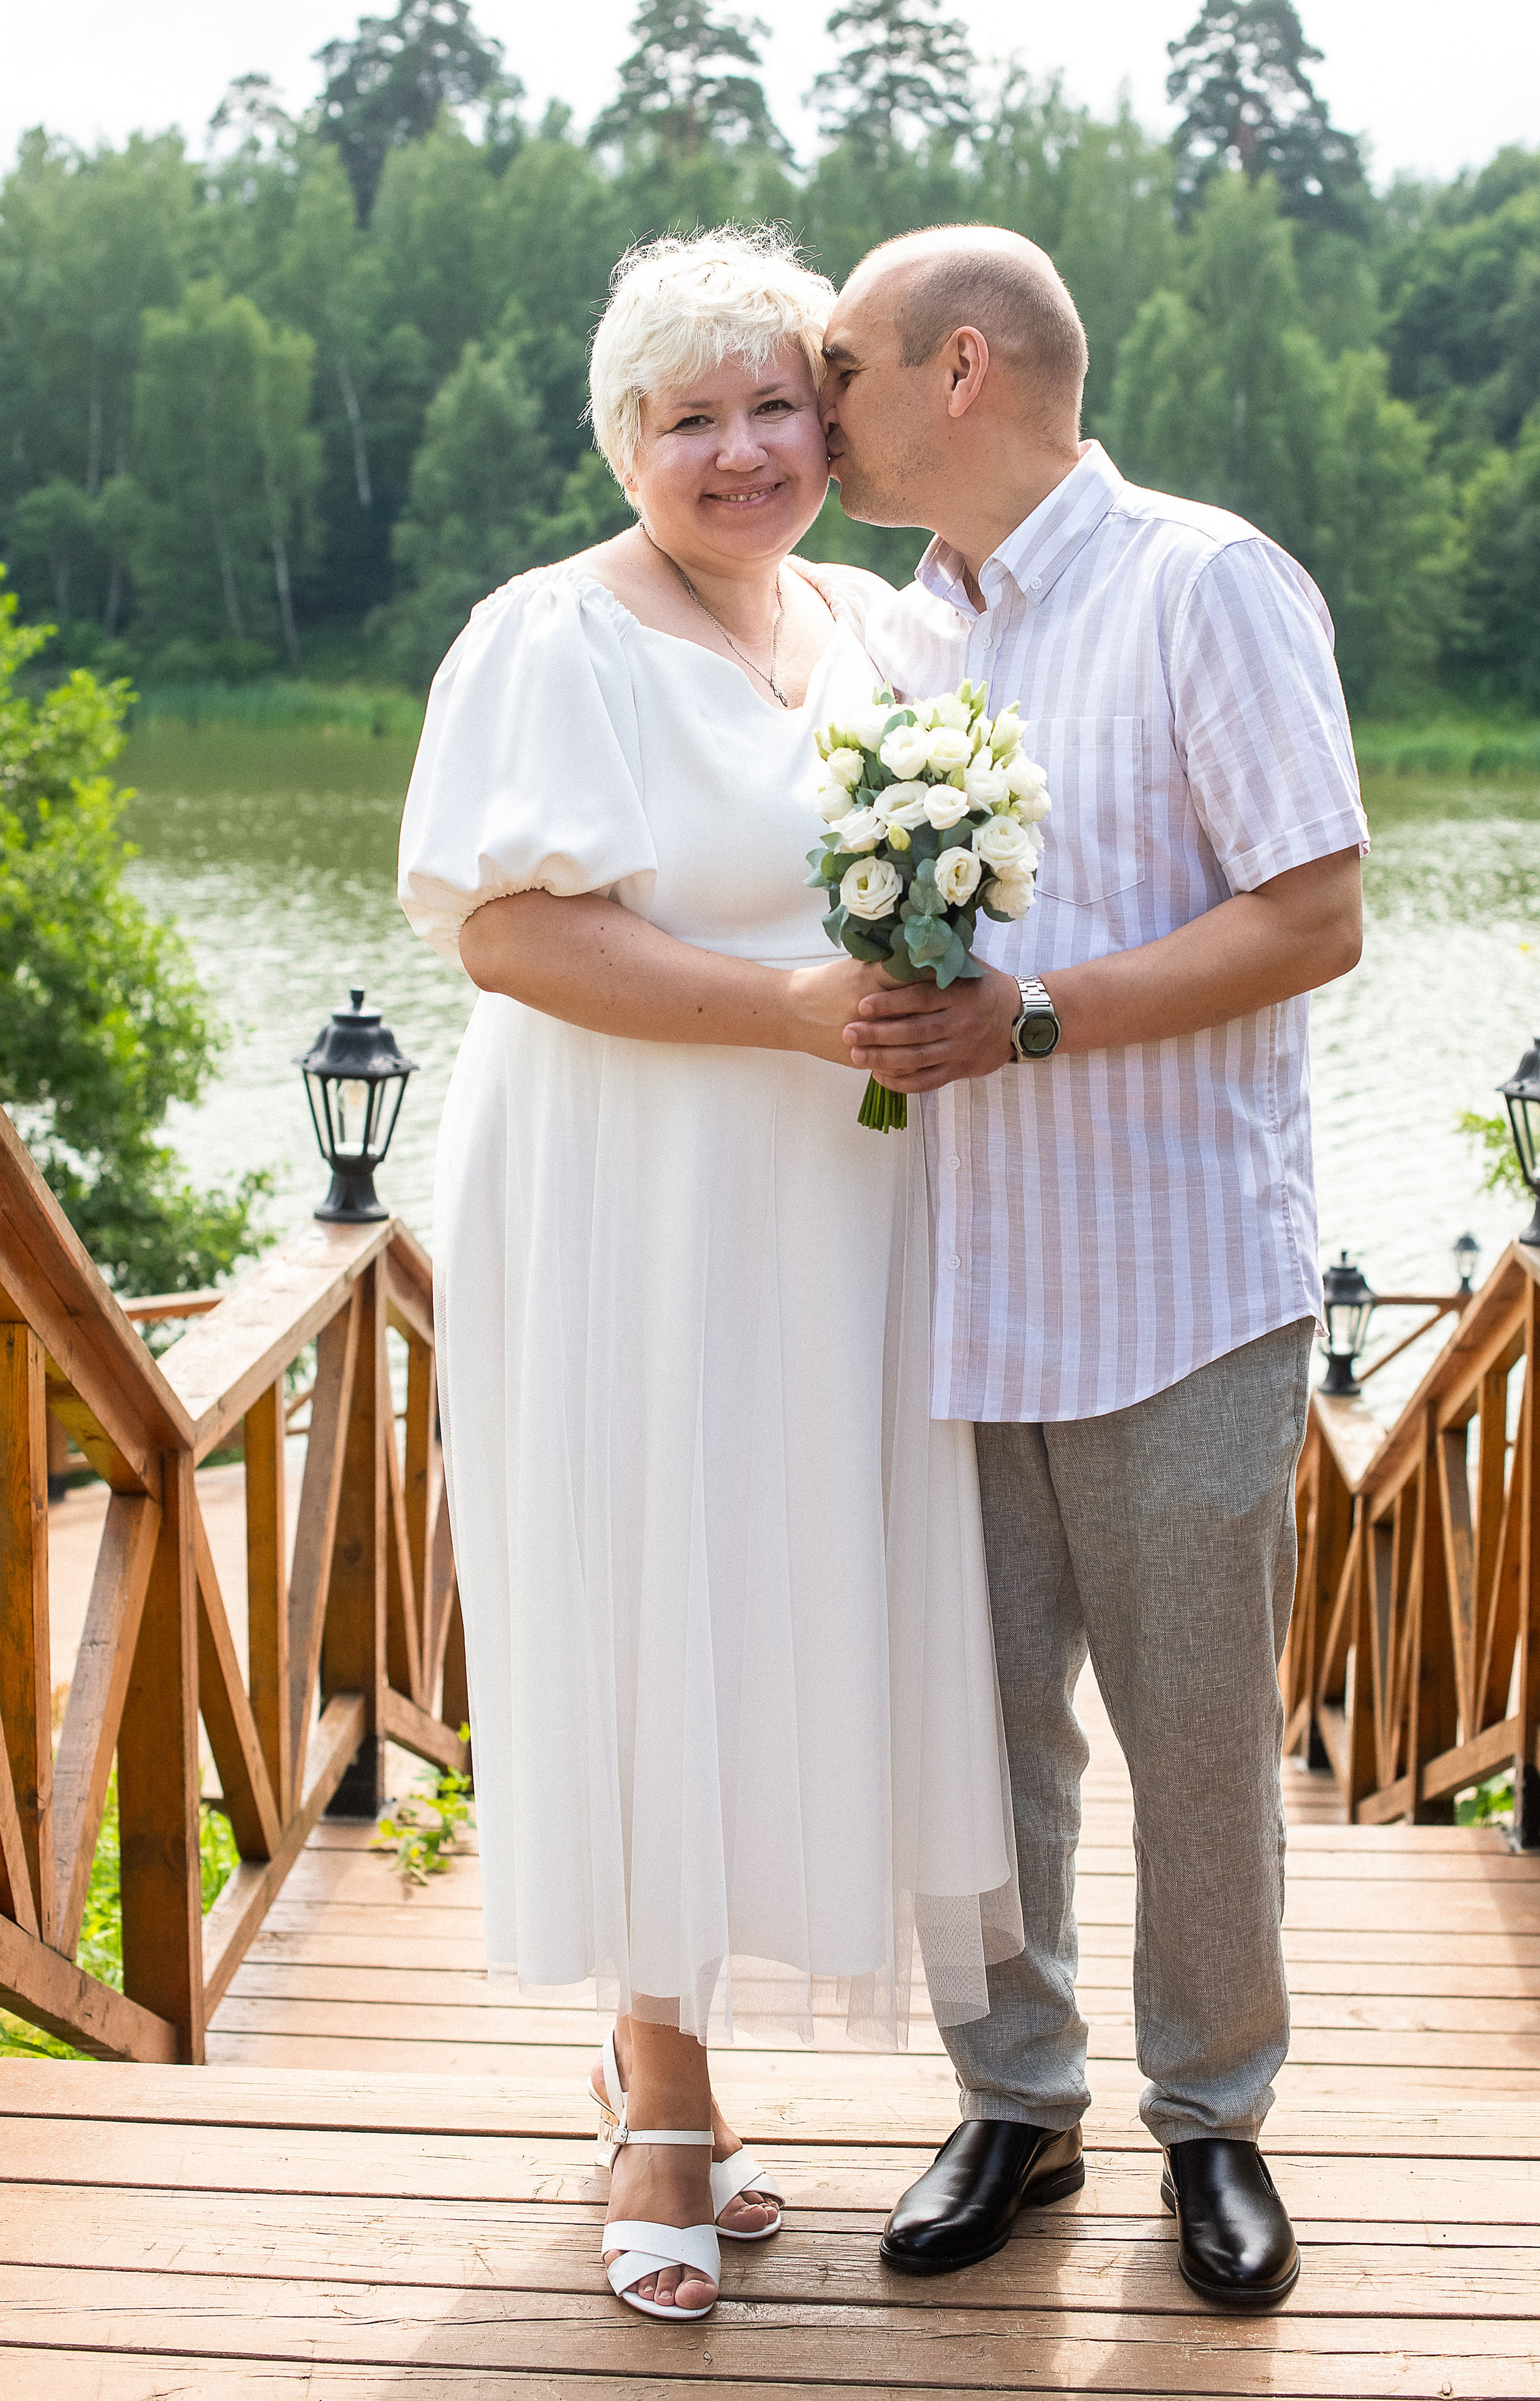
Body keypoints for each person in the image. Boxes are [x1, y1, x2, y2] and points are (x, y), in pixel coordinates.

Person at [397, 229, 1019, 2326]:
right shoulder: (547, 637)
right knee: (648, 1592)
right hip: (625, 1199)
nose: (741, 451)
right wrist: (783, 1011)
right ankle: (662, 2081)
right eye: (689, 420)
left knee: (790, 1605)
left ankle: (684, 2043)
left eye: (776, 407)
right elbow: (507, 935)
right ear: (623, 441)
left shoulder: (879, 628)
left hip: (838, 1217)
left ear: (834, 427)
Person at [817, 224, 1367, 2308]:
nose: (815, 399)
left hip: (1178, 1287)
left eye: (839, 366)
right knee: (979, 1739)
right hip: (948, 1289)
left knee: (1198, 1736)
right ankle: (1015, 2101)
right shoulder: (897, 642)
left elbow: (1314, 915)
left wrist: (1034, 1016)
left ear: (962, 371)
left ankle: (1215, 2123)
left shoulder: (1204, 584)